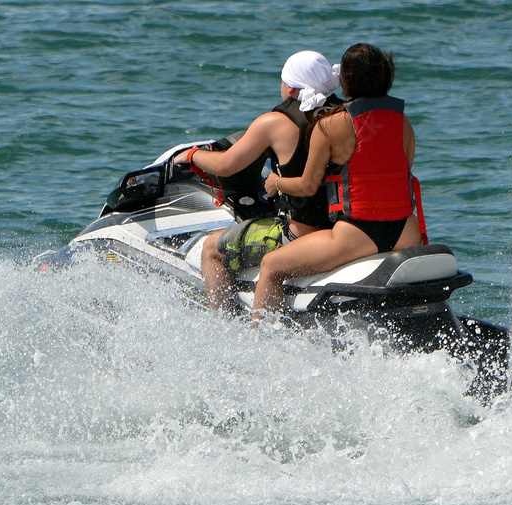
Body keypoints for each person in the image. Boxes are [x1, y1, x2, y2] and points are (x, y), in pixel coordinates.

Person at [254, 43, 424, 316]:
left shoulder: (330, 125)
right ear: (386, 78)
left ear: (345, 81)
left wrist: (276, 183)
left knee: (271, 267)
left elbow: (308, 186)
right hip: (407, 231)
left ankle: (259, 342)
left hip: (357, 234)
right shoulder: (402, 122)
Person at [172, 51, 343, 310]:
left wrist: (193, 156)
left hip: (299, 235)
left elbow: (226, 165)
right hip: (345, 230)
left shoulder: (275, 122)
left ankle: (224, 326)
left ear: (291, 86)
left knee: (212, 250)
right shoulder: (345, 114)